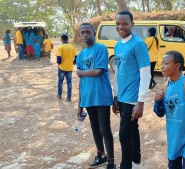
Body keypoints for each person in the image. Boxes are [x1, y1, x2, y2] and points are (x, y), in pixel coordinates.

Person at [112, 10, 151, 169]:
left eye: (125, 24)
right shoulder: (117, 45)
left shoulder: (138, 44)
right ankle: (136, 162)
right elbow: (117, 73)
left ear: (132, 25)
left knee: (124, 135)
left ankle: (126, 165)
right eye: (118, 24)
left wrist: (140, 101)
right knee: (132, 130)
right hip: (121, 96)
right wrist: (115, 97)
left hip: (132, 98)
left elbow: (145, 74)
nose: (121, 27)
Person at [76, 22, 116, 169]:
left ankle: (111, 161)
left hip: (102, 95)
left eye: (88, 32)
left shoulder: (100, 48)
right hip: (88, 96)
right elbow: (81, 83)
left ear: (94, 33)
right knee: (94, 127)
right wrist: (79, 105)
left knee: (105, 128)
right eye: (82, 32)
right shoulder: (80, 55)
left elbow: (98, 71)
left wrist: (80, 72)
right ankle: (101, 155)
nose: (85, 35)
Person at [56, 34, 77, 101]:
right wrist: (74, 62)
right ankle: (69, 97)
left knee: (60, 81)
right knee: (69, 82)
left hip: (62, 67)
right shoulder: (72, 47)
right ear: (67, 39)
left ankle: (59, 95)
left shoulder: (60, 47)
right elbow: (76, 56)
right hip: (69, 68)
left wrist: (59, 63)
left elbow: (58, 58)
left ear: (61, 39)